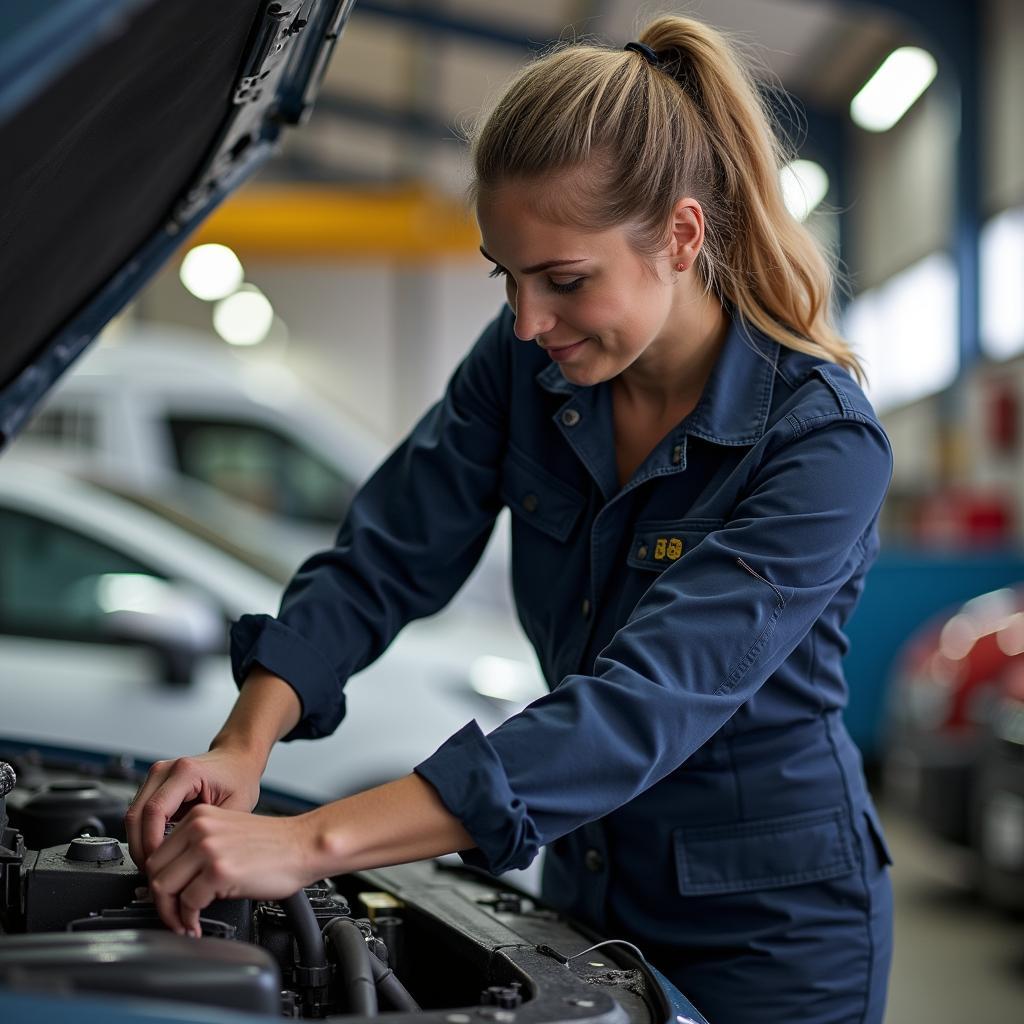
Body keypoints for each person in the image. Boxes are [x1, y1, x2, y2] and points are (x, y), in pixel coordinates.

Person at [126, 14, 894, 1023]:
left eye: (565, 281)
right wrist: (244, 744)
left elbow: (640, 703)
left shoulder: (821, 442)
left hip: (771, 937)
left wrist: (307, 838)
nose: (529, 322)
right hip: (586, 893)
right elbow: (384, 554)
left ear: (681, 235)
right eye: (506, 277)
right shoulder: (530, 364)